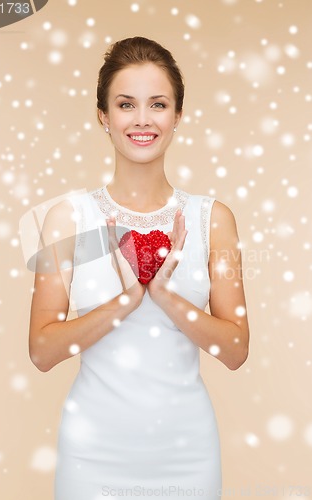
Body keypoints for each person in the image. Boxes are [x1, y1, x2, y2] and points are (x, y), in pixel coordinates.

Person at [28, 36, 250, 500]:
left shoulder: (213, 219)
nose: (143, 119)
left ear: (177, 117)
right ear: (103, 117)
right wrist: (125, 302)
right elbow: (42, 352)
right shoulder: (68, 218)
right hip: (92, 456)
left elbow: (235, 349)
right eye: (126, 104)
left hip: (188, 453)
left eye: (158, 104)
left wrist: (167, 297)